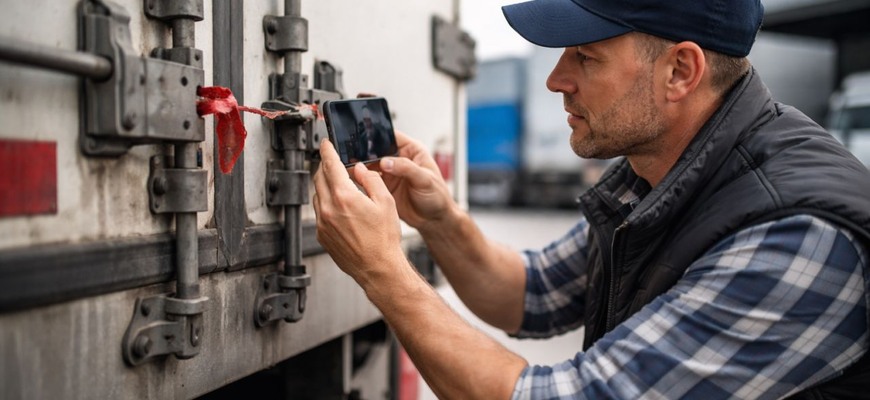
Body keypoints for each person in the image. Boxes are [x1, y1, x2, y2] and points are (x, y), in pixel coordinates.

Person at [313, 0, 870, 398]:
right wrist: (438, 220)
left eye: (585, 56)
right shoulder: (666, 172)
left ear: (680, 70)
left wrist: (383, 270)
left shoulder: (792, 236)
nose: (556, 79)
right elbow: (531, 294)